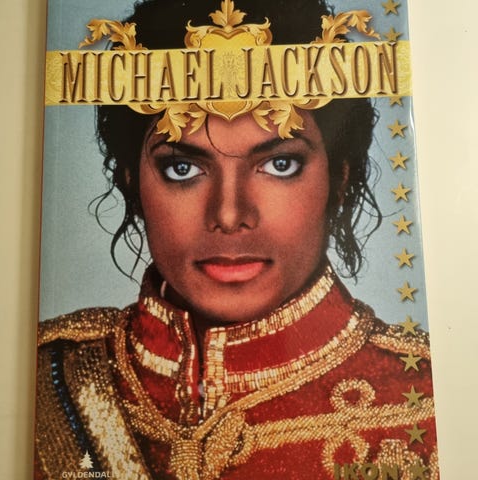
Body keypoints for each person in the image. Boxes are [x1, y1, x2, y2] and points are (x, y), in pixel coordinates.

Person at [35, 1, 439, 479]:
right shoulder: (45, 378)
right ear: (131, 181)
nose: (229, 216)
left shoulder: (425, 398)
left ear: (339, 180)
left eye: (280, 165)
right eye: (182, 169)